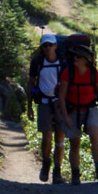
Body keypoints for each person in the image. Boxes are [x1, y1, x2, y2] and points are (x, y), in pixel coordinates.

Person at [57, 43, 98, 185]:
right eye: (74, 56)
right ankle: (75, 174)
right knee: (75, 143)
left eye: (78, 56)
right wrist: (65, 116)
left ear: (86, 59)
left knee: (95, 137)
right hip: (72, 110)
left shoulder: (94, 74)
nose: (75, 58)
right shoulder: (67, 73)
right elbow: (61, 96)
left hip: (90, 109)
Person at [26, 33, 65, 183]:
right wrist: (29, 107)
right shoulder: (37, 62)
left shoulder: (62, 61)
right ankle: (46, 163)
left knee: (60, 138)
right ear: (42, 48)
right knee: (47, 136)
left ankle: (57, 172)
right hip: (43, 102)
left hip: (60, 103)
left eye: (50, 45)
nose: (48, 48)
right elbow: (30, 83)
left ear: (55, 46)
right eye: (45, 46)